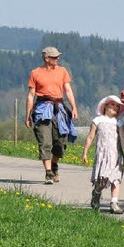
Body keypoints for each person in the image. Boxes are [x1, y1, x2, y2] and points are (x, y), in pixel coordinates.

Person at [25, 46, 78, 185]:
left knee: (60, 144)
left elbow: (68, 90)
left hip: (58, 108)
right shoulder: (36, 73)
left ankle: (54, 165)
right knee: (45, 141)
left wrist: (74, 108)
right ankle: (48, 173)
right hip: (43, 109)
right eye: (54, 57)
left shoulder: (62, 71)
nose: (57, 59)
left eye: (58, 56)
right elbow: (31, 96)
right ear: (46, 58)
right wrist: (28, 115)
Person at [81, 95, 124, 214]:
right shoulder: (98, 120)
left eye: (117, 106)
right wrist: (85, 152)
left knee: (116, 178)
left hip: (116, 154)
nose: (115, 108)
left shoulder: (119, 122)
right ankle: (96, 193)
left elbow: (122, 137)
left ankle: (114, 202)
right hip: (103, 154)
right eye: (113, 105)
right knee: (103, 178)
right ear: (105, 106)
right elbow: (91, 136)